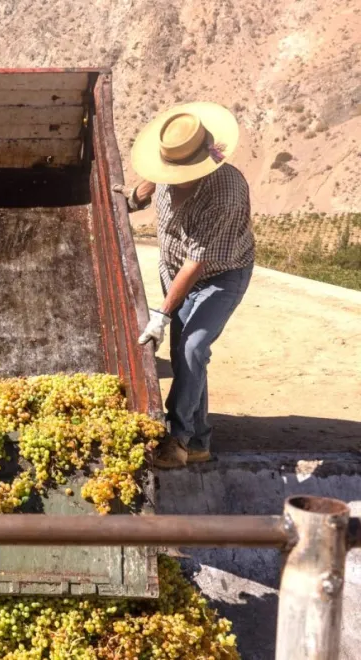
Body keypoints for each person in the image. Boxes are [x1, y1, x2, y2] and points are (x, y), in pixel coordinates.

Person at [116, 102, 254, 469]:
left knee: (192, 348)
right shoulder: (170, 171)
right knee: (184, 356)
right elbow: (156, 178)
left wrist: (162, 313)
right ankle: (199, 440)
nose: (171, 176)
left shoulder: (225, 192)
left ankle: (177, 438)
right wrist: (134, 198)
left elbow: (197, 262)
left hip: (220, 275)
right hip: (174, 269)